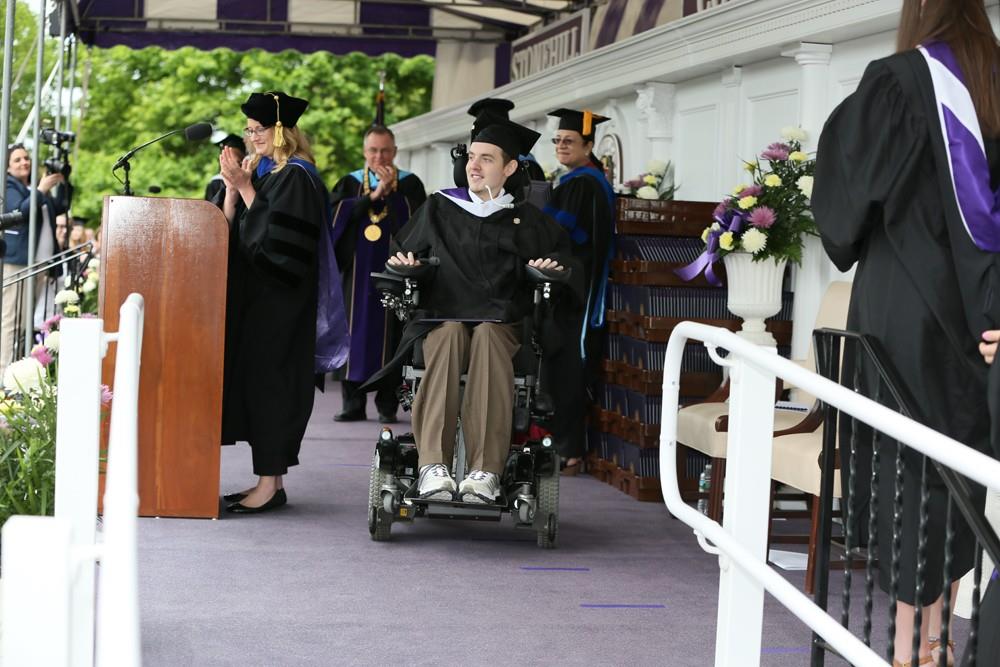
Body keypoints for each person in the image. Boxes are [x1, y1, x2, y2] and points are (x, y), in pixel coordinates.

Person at [812, 1, 1000, 664]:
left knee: (906, 469)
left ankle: (908, 645)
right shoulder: (993, 81)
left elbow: (843, 207)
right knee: (955, 472)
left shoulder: (898, 80)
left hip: (903, 311)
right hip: (981, 317)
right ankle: (938, 637)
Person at [363, 118, 580, 504]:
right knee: (448, 333)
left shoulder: (528, 220)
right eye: (472, 158)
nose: (474, 166)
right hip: (442, 315)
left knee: (488, 336)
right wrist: (407, 262)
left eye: (487, 159)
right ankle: (433, 467)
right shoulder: (440, 208)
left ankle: (485, 471)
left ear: (510, 168)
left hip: (502, 322)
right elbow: (402, 253)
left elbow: (563, 267)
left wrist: (551, 270)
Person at [217, 91, 348, 514]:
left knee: (273, 389)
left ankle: (269, 486)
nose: (252, 136)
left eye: (258, 129)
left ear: (280, 130)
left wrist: (245, 187)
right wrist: (235, 192)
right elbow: (241, 234)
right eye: (249, 130)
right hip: (263, 304)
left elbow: (278, 246)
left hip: (282, 306)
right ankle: (267, 481)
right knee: (260, 388)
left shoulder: (298, 176)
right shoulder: (273, 174)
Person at [329, 125, 426, 423]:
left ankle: (387, 406)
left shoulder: (410, 185)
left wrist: (391, 195)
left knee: (394, 337)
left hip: (395, 274)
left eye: (385, 150)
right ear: (364, 151)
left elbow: (419, 223)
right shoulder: (349, 183)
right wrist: (372, 196)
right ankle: (352, 403)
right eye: (373, 150)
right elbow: (335, 219)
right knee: (352, 334)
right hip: (355, 275)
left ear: (395, 152)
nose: (379, 156)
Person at [541, 108, 615, 475]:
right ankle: (564, 446)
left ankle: (570, 450)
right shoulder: (585, 180)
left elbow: (562, 234)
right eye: (557, 140)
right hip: (575, 285)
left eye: (569, 141)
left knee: (569, 367)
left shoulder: (583, 183)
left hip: (574, 291)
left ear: (588, 144)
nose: (561, 146)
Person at [3, 144, 65, 373]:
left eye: (26, 158)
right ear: (8, 166)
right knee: (10, 320)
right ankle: (3, 372)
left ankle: (18, 370)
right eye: (17, 160)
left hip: (38, 264)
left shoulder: (32, 187)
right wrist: (40, 190)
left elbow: (61, 206)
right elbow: (20, 213)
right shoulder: (8, 185)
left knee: (25, 322)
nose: (24, 163)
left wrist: (64, 182)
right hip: (18, 263)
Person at [205, 133, 247, 202]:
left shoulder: (250, 181)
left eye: (236, 162)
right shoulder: (215, 183)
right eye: (226, 160)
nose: (231, 165)